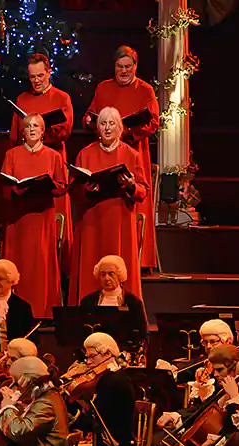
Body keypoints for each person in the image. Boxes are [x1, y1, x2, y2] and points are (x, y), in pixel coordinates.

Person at [88, 46, 161, 270]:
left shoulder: (145, 90)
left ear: (135, 67)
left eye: (128, 67)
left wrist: (129, 132)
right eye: (120, 67)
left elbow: (154, 121)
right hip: (106, 151)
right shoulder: (104, 87)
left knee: (135, 199)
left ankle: (140, 259)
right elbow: (92, 113)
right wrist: (90, 121)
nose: (124, 71)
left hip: (134, 150)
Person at [71, 106, 149, 302]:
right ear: (97, 128)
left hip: (119, 218)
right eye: (103, 123)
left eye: (112, 123)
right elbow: (74, 191)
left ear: (120, 128)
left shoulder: (131, 155)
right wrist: (87, 189)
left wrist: (131, 186)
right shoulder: (85, 154)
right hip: (92, 220)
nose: (107, 128)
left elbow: (143, 191)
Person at [0, 114, 68, 315]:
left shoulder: (53, 156)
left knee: (40, 263)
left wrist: (48, 185)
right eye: (28, 126)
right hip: (18, 217)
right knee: (17, 262)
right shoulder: (12, 154)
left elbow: (62, 185)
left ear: (43, 131)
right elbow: (5, 183)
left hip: (41, 215)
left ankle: (41, 310)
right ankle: (12, 311)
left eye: (36, 126)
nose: (31, 129)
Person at [13, 53, 75, 152]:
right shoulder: (21, 99)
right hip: (27, 156)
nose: (36, 80)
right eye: (32, 77)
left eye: (40, 75)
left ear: (49, 73)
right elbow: (14, 138)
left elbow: (65, 133)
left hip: (54, 156)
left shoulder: (62, 98)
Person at [82, 255, 148, 345]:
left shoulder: (133, 302)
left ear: (119, 276)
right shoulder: (88, 301)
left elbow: (142, 335)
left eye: (111, 274)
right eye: (103, 274)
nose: (107, 278)